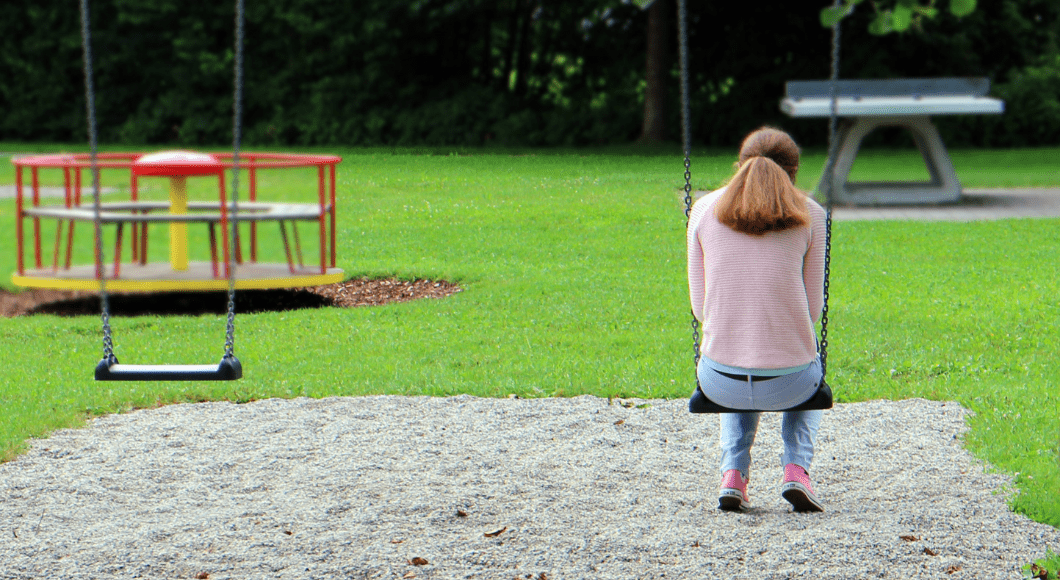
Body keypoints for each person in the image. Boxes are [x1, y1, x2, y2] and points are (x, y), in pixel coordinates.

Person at [686, 126, 827, 513]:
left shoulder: (702, 210)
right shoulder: (812, 215)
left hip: (719, 383)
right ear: (794, 170)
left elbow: (701, 309)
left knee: (735, 352)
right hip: (792, 384)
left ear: (740, 165)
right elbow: (812, 311)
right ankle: (796, 470)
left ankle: (733, 474)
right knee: (804, 357)